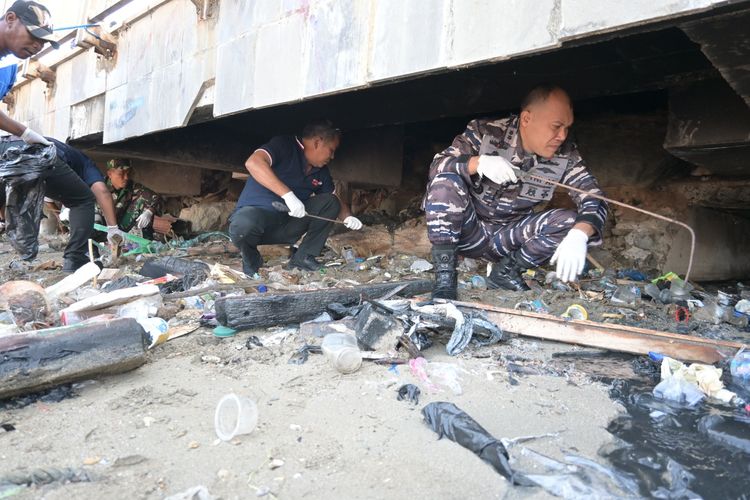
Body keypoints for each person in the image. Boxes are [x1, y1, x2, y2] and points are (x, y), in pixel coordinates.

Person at [425, 84, 608, 299]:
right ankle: (445, 282)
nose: (562, 136)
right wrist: (479, 163)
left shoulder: (565, 153)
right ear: (527, 119)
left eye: (567, 127)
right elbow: (438, 167)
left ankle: (507, 272)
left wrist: (580, 234)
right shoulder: (486, 132)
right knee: (446, 182)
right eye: (556, 126)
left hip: (510, 238)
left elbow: (593, 196)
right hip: (470, 231)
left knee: (569, 222)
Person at [229, 120, 363, 275]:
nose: (332, 156)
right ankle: (251, 259)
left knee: (330, 202)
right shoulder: (284, 145)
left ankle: (302, 258)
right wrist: (288, 195)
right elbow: (253, 163)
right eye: (331, 150)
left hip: (287, 226)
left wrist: (347, 217)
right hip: (257, 222)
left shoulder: (321, 171)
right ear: (317, 143)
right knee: (243, 224)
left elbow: (334, 198)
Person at [0, 137, 121, 272]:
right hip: (35, 154)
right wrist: (113, 228)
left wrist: (3, 221)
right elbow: (102, 192)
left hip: (6, 150)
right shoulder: (86, 164)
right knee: (83, 200)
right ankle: (75, 259)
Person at [0, 1, 58, 145]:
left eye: (43, 41)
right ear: (10, 19)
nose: (38, 46)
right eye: (34, 35)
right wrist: (24, 132)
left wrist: (26, 133)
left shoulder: (9, 69)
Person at [99, 159, 162, 239]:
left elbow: (153, 196)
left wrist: (149, 211)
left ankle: (147, 241)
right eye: (121, 174)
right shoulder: (99, 187)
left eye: (128, 173)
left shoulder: (130, 185)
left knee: (145, 202)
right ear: (110, 174)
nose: (126, 177)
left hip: (119, 227)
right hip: (102, 228)